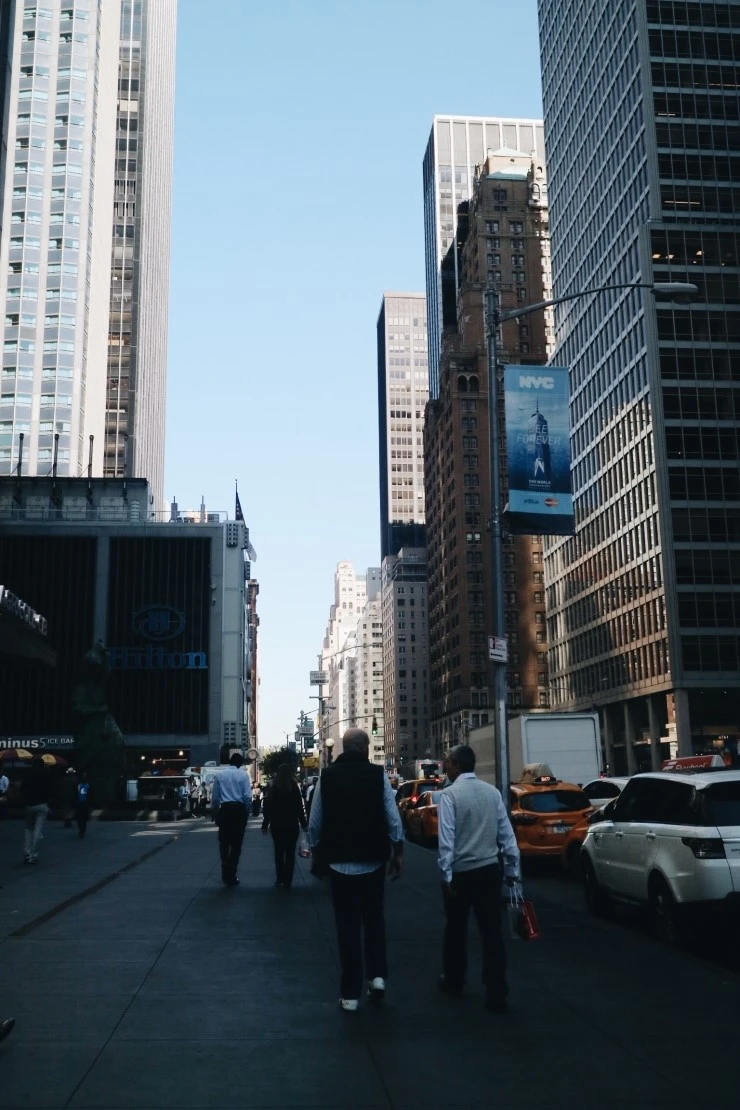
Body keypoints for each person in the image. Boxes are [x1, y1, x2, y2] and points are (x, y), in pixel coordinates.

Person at [308, 728, 404, 1012]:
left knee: (347, 926)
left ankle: (350, 995)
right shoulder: (378, 775)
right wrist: (398, 851)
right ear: (365, 748)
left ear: (342, 747)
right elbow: (393, 817)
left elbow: (315, 822)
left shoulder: (327, 777)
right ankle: (377, 977)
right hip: (373, 859)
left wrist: (316, 851)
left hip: (338, 862)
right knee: (374, 919)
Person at [436, 744, 521, 1014]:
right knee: (492, 933)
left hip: (461, 873)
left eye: (448, 763)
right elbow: (507, 836)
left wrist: (446, 875)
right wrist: (512, 871)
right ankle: (497, 992)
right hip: (489, 871)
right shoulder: (492, 793)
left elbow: (446, 840)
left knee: (456, 930)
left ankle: (454, 981)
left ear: (457, 766)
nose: (445, 767)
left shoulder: (450, 795)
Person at [261, 764, 307, 888]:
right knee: (290, 854)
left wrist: (265, 825)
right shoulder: (294, 787)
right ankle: (288, 879)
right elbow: (299, 808)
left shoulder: (274, 787)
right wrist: (303, 824)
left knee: (278, 852)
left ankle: (280, 877)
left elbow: (268, 808)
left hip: (277, 825)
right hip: (292, 825)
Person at [211, 754, 252, 886]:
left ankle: (225, 867)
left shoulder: (220, 775)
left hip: (225, 810)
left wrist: (215, 812)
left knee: (224, 842)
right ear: (240, 764)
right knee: (236, 844)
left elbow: (215, 798)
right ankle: (232, 873)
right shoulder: (244, 776)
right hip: (239, 811)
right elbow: (247, 797)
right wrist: (246, 811)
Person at [21, 756, 52, 864]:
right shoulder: (46, 775)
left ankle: (27, 853)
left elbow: (22, 789)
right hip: (42, 805)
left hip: (29, 805)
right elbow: (50, 790)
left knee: (28, 828)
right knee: (38, 830)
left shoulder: (27, 774)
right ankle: (33, 854)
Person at [75, 773, 92, 838]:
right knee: (79, 818)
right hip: (79, 803)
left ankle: (82, 831)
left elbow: (91, 796)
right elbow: (75, 794)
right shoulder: (77, 785)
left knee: (83, 818)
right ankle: (81, 829)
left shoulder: (89, 786)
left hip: (85, 804)